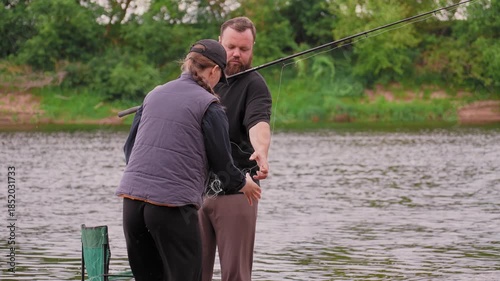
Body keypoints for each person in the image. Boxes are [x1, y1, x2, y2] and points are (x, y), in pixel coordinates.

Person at [115, 39, 262, 281]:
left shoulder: (153, 95)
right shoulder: (210, 106)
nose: (218, 85)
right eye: (219, 78)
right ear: (214, 71)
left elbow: (129, 149)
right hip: (171, 208)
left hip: (131, 205)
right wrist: (242, 182)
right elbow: (222, 164)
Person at [198, 17, 272, 281]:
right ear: (220, 43)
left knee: (235, 275)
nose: (236, 54)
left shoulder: (255, 85)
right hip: (193, 191)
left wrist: (260, 150)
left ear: (253, 48)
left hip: (238, 190)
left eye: (244, 49)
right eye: (231, 47)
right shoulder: (200, 80)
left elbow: (258, 122)